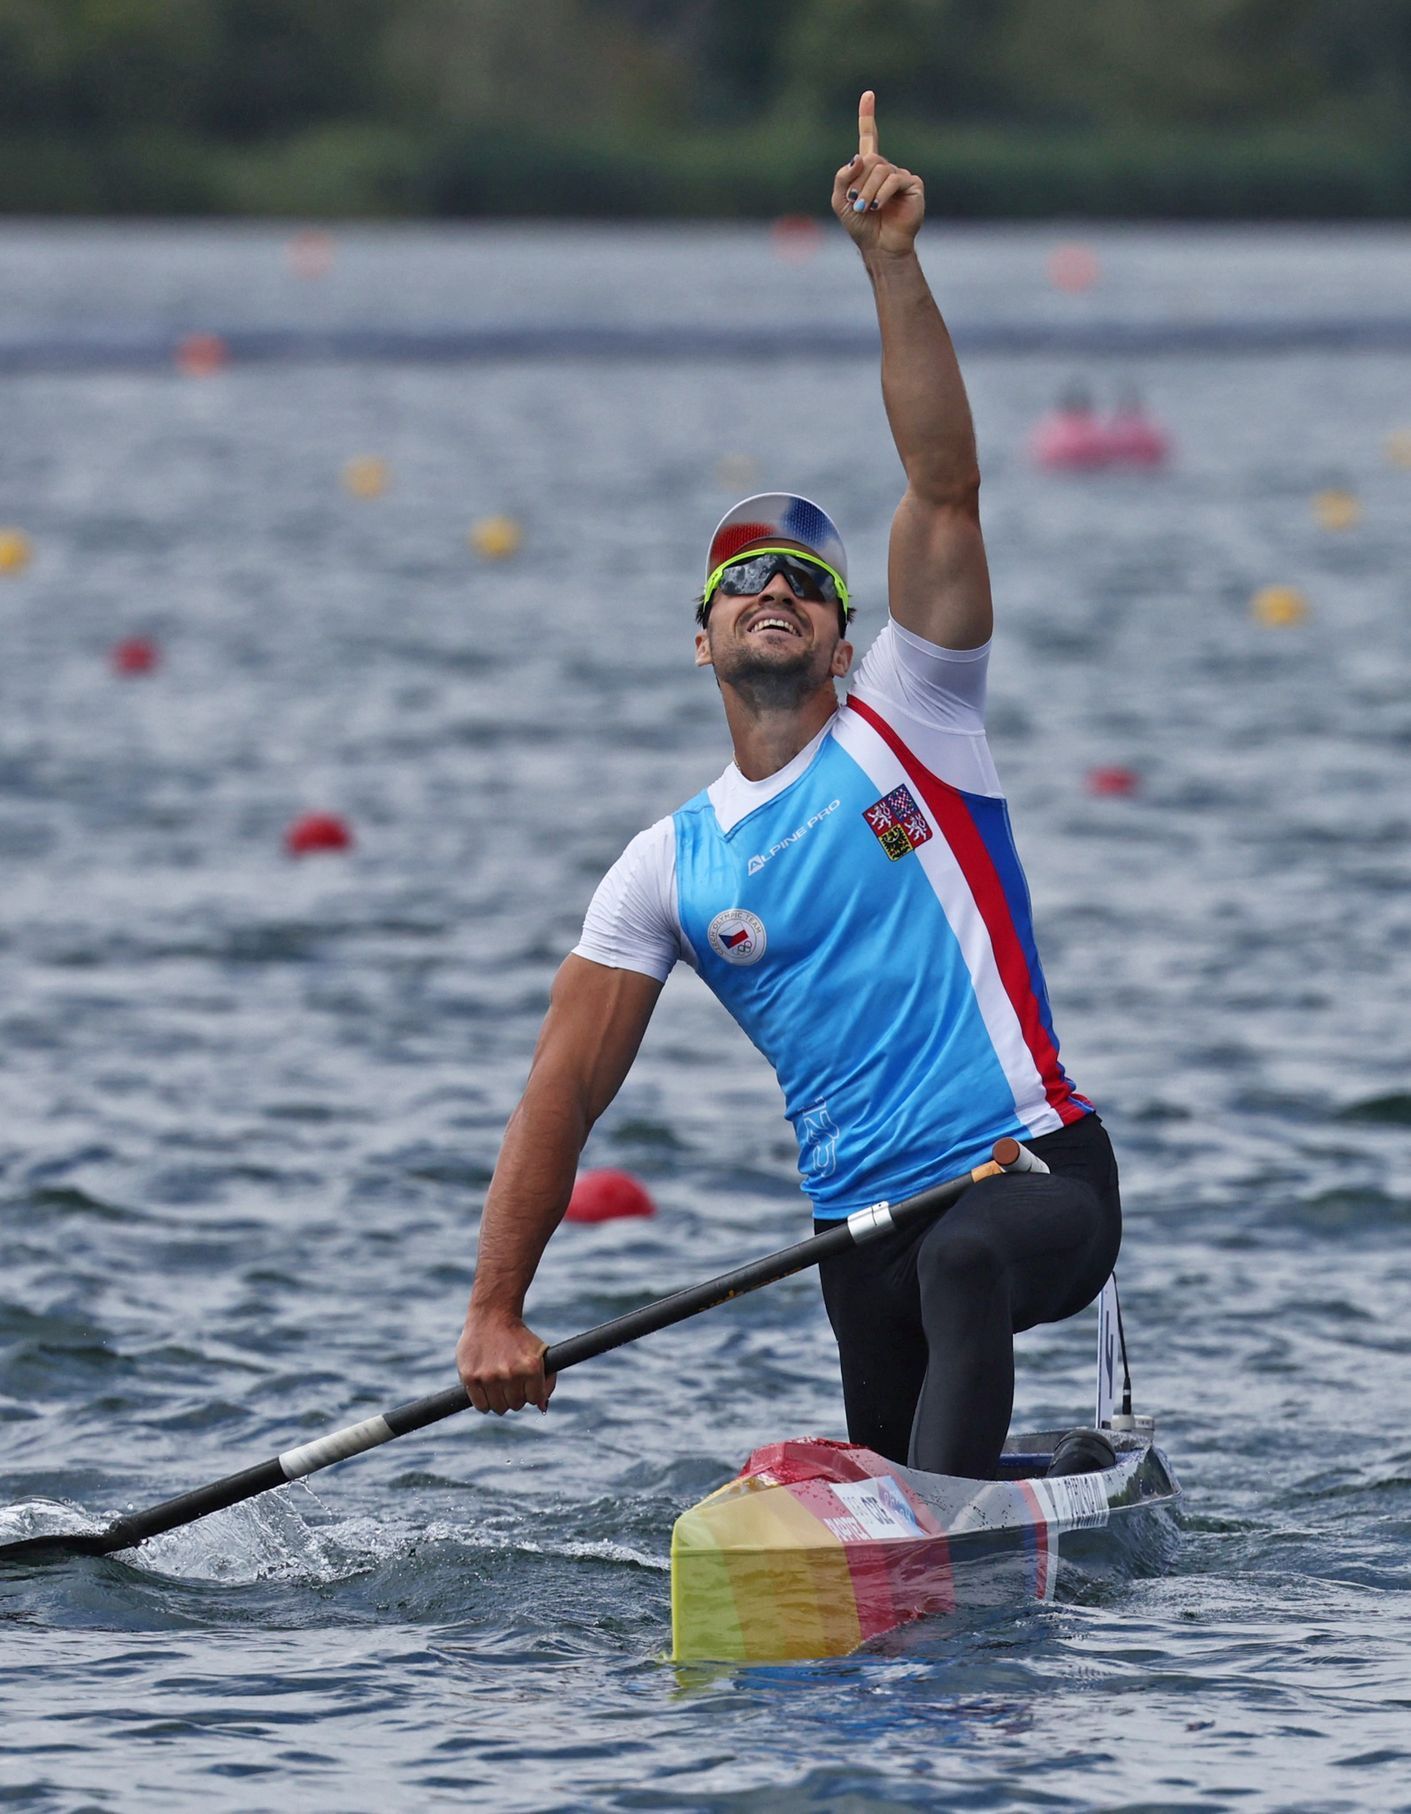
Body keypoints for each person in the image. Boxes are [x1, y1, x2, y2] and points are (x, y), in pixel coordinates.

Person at [455, 91, 1121, 1481]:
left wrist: (889, 260)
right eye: (741, 579)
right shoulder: (667, 868)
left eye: (806, 583)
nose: (774, 590)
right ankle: (1001, 1492)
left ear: (841, 634)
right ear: (699, 639)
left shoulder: (916, 720)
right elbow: (562, 1096)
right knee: (902, 1456)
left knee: (970, 1272)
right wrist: (497, 1309)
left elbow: (944, 485)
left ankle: (940, 1520)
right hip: (858, 1239)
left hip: (1032, 1178)